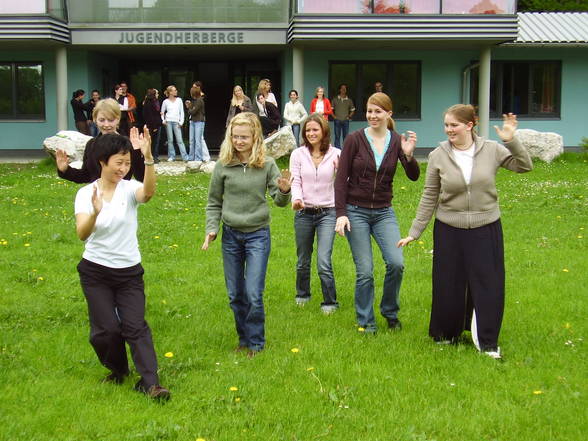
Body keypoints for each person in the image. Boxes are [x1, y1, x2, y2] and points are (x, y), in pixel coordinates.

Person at [397, 105, 533, 359]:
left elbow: (524, 166)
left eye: (454, 125)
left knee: (488, 284)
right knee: (448, 283)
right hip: (449, 228)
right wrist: (415, 232)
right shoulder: (439, 155)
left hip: (486, 226)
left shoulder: (492, 150)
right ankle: (446, 334)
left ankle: (487, 341)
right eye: (446, 125)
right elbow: (429, 195)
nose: (448, 130)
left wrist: (511, 140)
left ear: (470, 125)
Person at [74, 128, 170, 400]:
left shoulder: (129, 189)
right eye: (119, 162)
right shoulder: (86, 193)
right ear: (103, 161)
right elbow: (82, 233)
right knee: (105, 331)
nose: (124, 169)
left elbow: (148, 193)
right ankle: (118, 370)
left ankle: (151, 384)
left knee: (135, 326)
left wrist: (148, 158)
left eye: (128, 163)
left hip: (129, 272)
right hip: (95, 272)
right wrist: (95, 212)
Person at [202, 112, 291, 357]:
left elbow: (280, 200)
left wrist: (285, 190)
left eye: (244, 137)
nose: (239, 141)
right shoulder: (223, 165)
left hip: (257, 236)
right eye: (235, 136)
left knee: (253, 292)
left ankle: (256, 343)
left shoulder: (267, 164)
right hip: (231, 236)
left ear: (255, 138)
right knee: (235, 294)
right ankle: (243, 339)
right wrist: (212, 228)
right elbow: (213, 202)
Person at [334, 92, 419, 333]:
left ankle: (390, 312)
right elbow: (341, 180)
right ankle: (366, 321)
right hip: (355, 211)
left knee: (396, 263)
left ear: (388, 114)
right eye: (370, 111)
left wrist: (409, 155)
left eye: (378, 111)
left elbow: (413, 176)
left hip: (383, 212)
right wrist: (341, 213)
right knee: (365, 272)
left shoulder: (396, 141)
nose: (372, 115)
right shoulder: (354, 139)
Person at [289, 114, 340, 313]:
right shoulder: (298, 154)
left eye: (315, 130)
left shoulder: (336, 154)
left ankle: (330, 301)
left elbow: (345, 183)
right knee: (303, 259)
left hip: (328, 212)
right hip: (303, 212)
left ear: (324, 131)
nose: (311, 133)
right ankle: (302, 293)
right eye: (308, 130)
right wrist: (296, 199)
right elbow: (296, 181)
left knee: (323, 260)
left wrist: (340, 172)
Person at [57, 98, 145, 183]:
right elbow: (85, 175)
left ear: (118, 119)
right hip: (97, 196)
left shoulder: (127, 144)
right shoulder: (91, 145)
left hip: (119, 195)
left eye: (111, 120)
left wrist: (138, 152)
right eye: (102, 120)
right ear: (95, 119)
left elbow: (141, 176)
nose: (106, 125)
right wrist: (65, 170)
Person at [161, 85, 188, 162]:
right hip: (168, 121)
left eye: (176, 90)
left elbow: (181, 112)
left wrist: (181, 121)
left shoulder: (179, 100)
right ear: (170, 92)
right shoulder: (165, 101)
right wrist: (163, 120)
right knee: (170, 140)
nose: (176, 91)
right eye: (174, 90)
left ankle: (185, 157)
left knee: (180, 140)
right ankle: (171, 156)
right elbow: (162, 112)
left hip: (176, 122)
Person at [185, 81, 206, 162]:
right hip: (193, 121)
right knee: (192, 140)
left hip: (199, 121)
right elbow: (192, 110)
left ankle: (198, 158)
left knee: (197, 140)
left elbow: (193, 112)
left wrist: (189, 107)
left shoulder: (199, 100)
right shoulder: (195, 100)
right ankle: (191, 157)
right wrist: (190, 106)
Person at [331, 84, 355, 149]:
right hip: (337, 120)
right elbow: (331, 110)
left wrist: (349, 117)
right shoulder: (335, 99)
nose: (343, 89)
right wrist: (334, 117)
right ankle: (337, 151)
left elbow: (353, 110)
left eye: (345, 88)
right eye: (342, 88)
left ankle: (345, 151)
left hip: (346, 121)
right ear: (339, 89)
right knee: (337, 136)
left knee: (346, 137)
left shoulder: (349, 100)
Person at [142, 88, 162, 163]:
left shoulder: (155, 102)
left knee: (155, 142)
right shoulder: (149, 103)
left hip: (157, 124)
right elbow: (150, 116)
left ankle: (155, 155)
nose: (158, 95)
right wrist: (154, 126)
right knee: (152, 142)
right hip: (152, 125)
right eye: (156, 93)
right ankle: (151, 156)